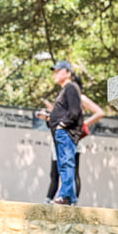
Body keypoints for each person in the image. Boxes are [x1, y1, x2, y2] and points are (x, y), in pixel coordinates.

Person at [39, 73, 104, 204]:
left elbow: (99, 112)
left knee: (71, 169)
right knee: (58, 169)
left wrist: (83, 124)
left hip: (71, 135)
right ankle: (66, 198)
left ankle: (69, 198)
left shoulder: (79, 96)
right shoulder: (65, 96)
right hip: (61, 135)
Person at [43, 60, 82, 205]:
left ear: (67, 73)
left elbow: (75, 111)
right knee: (63, 165)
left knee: (66, 164)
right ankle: (70, 198)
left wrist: (62, 125)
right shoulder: (65, 90)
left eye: (59, 70)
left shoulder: (71, 88)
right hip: (60, 133)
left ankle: (64, 196)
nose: (55, 74)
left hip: (66, 132)